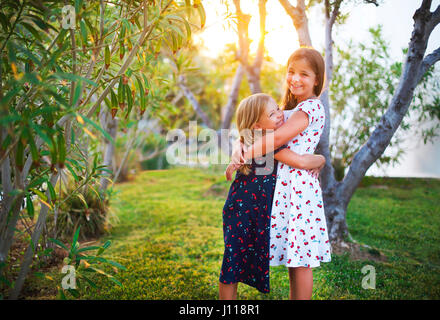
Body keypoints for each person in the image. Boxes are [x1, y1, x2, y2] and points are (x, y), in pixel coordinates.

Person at [233, 47, 331, 300]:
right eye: (291, 72)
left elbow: (275, 139)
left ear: (317, 79)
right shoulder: (289, 108)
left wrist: (247, 150)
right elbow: (256, 127)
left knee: (302, 261)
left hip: (299, 190)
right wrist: (240, 143)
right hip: (284, 187)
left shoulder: (311, 108)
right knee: (294, 256)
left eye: (304, 74)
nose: (295, 78)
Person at [219, 92, 326, 300]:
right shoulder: (269, 143)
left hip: (249, 211)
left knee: (233, 263)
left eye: (278, 108)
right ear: (258, 126)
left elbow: (241, 139)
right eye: (273, 113)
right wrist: (321, 159)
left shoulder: (255, 140)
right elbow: (301, 162)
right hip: (243, 212)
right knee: (232, 264)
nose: (280, 115)